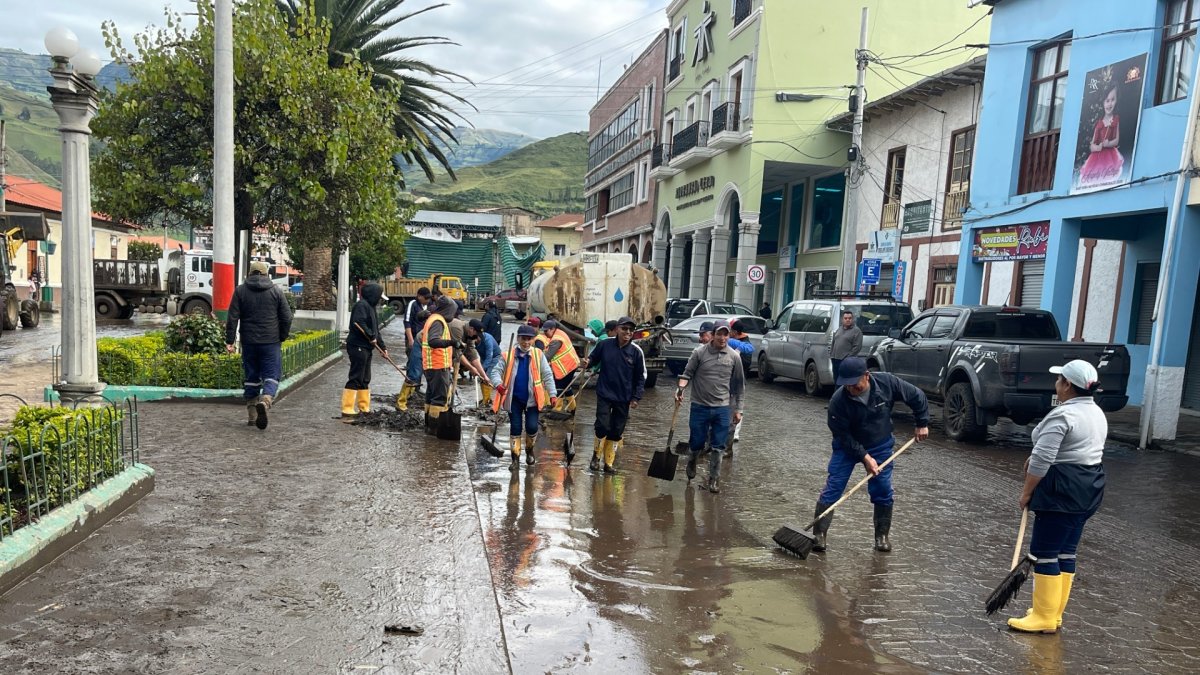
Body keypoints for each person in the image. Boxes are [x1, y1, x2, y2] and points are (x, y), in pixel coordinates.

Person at [1006, 360, 1106, 634]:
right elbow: (1072, 450)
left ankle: (1043, 617)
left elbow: (1042, 461)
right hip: (1089, 489)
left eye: (1059, 379)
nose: (1056, 384)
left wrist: (1026, 492)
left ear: (1067, 385)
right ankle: (1053, 613)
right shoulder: (1096, 412)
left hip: (1062, 491)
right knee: (1066, 552)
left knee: (1044, 553)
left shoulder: (1064, 416)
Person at [816, 357, 929, 553]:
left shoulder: (887, 383)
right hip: (848, 446)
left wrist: (922, 423)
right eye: (847, 385)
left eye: (855, 384)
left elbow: (917, 396)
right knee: (834, 486)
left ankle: (882, 536)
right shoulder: (838, 402)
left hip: (880, 444)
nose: (851, 389)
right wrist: (865, 458)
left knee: (882, 489)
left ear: (866, 376)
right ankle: (819, 534)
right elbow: (842, 436)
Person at [676, 320, 745, 493]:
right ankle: (692, 461)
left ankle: (714, 479)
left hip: (722, 408)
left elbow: (739, 387)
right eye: (719, 334)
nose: (722, 338)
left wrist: (739, 410)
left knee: (718, 445)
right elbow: (687, 374)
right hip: (700, 406)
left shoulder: (734, 357)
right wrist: (680, 389)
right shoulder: (699, 353)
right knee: (697, 442)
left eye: (726, 334)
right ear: (713, 335)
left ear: (729, 335)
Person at [225, 260, 292, 430]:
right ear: (265, 274)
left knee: (251, 377)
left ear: (250, 274)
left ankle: (252, 415)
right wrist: (281, 336)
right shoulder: (275, 291)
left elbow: (232, 318)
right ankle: (266, 399)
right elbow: (287, 317)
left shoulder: (240, 291)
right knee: (271, 374)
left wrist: (230, 341)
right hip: (270, 341)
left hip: (249, 342)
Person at [580, 316, 645, 474]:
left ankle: (608, 463)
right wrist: (587, 362)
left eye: (630, 330)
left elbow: (640, 377)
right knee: (602, 425)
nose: (627, 332)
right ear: (617, 329)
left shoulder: (636, 352)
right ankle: (596, 456)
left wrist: (636, 397)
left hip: (624, 397)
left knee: (617, 431)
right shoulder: (604, 344)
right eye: (624, 329)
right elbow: (594, 359)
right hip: (604, 393)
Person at [489, 324, 557, 470]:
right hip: (514, 399)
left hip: (532, 400)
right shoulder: (508, 356)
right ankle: (515, 458)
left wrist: (552, 394)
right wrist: (498, 384)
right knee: (515, 427)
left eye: (529, 339)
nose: (526, 342)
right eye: (523, 339)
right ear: (518, 339)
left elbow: (547, 375)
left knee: (532, 427)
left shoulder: (538, 355)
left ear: (533, 340)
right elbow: (495, 372)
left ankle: (529, 449)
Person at [342, 282, 387, 421]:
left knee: (365, 378)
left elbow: (375, 330)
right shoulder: (361, 306)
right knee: (356, 376)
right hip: (357, 346)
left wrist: (382, 347)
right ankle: (347, 408)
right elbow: (358, 323)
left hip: (367, 347)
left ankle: (363, 406)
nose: (380, 299)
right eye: (379, 296)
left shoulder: (371, 308)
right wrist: (370, 336)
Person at [421, 291, 459, 423]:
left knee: (431, 396)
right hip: (438, 366)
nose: (453, 316)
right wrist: (452, 343)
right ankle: (435, 428)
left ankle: (428, 426)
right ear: (447, 310)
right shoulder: (438, 321)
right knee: (439, 398)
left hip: (431, 366)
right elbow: (433, 341)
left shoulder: (434, 319)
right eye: (452, 312)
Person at [1078, 84, 1123, 188]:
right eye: (1107, 100)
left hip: (1110, 155)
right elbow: (1092, 144)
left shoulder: (1116, 119)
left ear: (1116, 101)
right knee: (1095, 178)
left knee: (1110, 177)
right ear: (1103, 103)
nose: (1109, 104)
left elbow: (1116, 140)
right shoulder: (1099, 123)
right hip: (1096, 157)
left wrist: (1109, 144)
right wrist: (1097, 147)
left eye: (1112, 100)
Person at [724, 319, 756, 452]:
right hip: (728, 379)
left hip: (739, 380)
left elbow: (746, 363)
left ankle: (734, 434)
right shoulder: (739, 342)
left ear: (735, 332)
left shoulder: (744, 345)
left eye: (730, 330)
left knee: (738, 406)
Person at [397, 288, 432, 411]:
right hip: (413, 338)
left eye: (428, 299)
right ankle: (409, 391)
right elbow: (407, 323)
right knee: (412, 364)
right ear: (418, 296)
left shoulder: (429, 306)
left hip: (424, 341)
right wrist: (411, 340)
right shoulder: (412, 304)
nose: (426, 301)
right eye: (425, 298)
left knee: (421, 364)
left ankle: (416, 388)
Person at [467, 318, 501, 407]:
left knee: (487, 376)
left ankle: (488, 400)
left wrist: (482, 369)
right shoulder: (471, 339)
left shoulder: (487, 339)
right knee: (482, 377)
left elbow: (490, 356)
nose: (478, 339)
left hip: (495, 358)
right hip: (483, 358)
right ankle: (486, 398)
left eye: (479, 336)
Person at [542, 319, 581, 392]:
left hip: (566, 368)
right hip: (571, 364)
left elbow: (547, 357)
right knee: (566, 388)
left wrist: (537, 358)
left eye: (546, 331)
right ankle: (571, 403)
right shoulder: (560, 333)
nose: (545, 333)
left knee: (559, 389)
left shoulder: (556, 340)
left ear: (552, 329)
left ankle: (557, 403)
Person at [829, 310, 863, 380]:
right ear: (842, 319)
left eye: (850, 318)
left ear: (852, 319)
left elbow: (857, 347)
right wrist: (831, 354)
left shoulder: (856, 331)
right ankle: (837, 391)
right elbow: (834, 342)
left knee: (844, 381)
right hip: (835, 359)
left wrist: (847, 358)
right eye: (846, 318)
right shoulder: (839, 329)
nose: (848, 320)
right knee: (836, 379)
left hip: (846, 361)